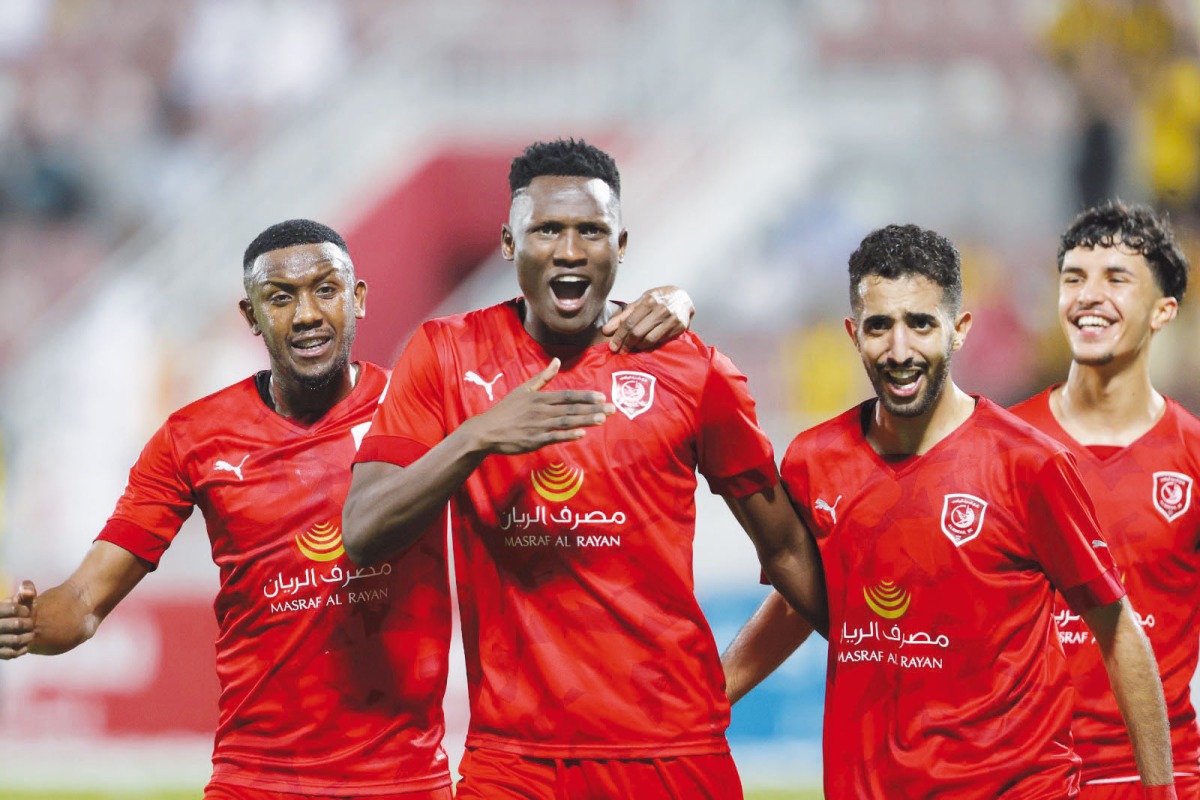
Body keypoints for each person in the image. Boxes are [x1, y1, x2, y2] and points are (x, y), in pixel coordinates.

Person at [0, 218, 698, 800]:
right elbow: (83, 605)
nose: (306, 313)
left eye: (324, 290)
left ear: (357, 298)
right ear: (251, 316)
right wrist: (27, 622)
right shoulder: (192, 437)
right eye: (280, 297)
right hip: (254, 778)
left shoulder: (423, 407)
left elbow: (563, 349)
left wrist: (670, 301)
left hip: (406, 781)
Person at [341, 138, 827, 800]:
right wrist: (477, 438)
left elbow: (792, 552)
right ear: (509, 245)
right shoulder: (445, 356)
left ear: (620, 246)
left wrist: (726, 683)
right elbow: (364, 530)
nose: (570, 250)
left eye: (590, 231)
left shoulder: (691, 369)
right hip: (513, 766)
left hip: (673, 760)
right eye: (546, 230)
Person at [721, 223, 1175, 798]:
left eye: (921, 324)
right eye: (880, 326)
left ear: (958, 330)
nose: (900, 350)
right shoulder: (815, 460)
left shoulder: (1029, 465)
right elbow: (806, 601)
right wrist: (714, 697)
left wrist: (1161, 794)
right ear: (852, 333)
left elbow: (1117, 629)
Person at [1008, 200, 1198, 799]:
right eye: (1074, 278)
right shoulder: (999, 446)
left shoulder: (1194, 456)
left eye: (1116, 278)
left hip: (1163, 778)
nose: (1089, 295)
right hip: (1026, 773)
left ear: (1163, 310)